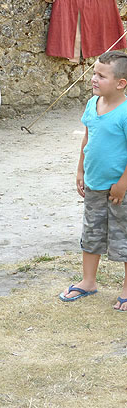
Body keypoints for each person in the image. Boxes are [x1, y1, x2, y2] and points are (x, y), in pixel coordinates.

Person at [59, 50, 127, 310]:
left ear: (121, 83)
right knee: (91, 233)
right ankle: (88, 281)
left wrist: (122, 184)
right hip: (94, 184)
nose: (94, 79)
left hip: (120, 189)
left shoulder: (125, 112)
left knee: (123, 236)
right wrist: (80, 171)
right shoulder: (92, 104)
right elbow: (87, 140)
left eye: (101, 75)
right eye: (94, 73)